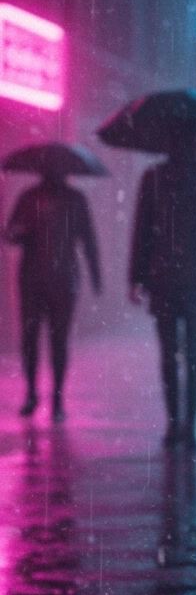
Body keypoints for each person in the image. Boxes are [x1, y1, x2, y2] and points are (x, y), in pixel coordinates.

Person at [129, 128, 196, 448]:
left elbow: (141, 229)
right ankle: (188, 425)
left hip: (163, 278)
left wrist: (135, 277)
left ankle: (174, 424)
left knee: (168, 356)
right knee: (194, 356)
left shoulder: (153, 178)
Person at [4, 170, 101, 421]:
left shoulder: (42, 198)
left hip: (49, 278)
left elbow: (88, 239)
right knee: (40, 338)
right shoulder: (40, 198)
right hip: (44, 278)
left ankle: (48, 397)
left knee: (48, 339)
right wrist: (95, 275)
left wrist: (95, 274)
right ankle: (38, 394)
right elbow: (10, 234)